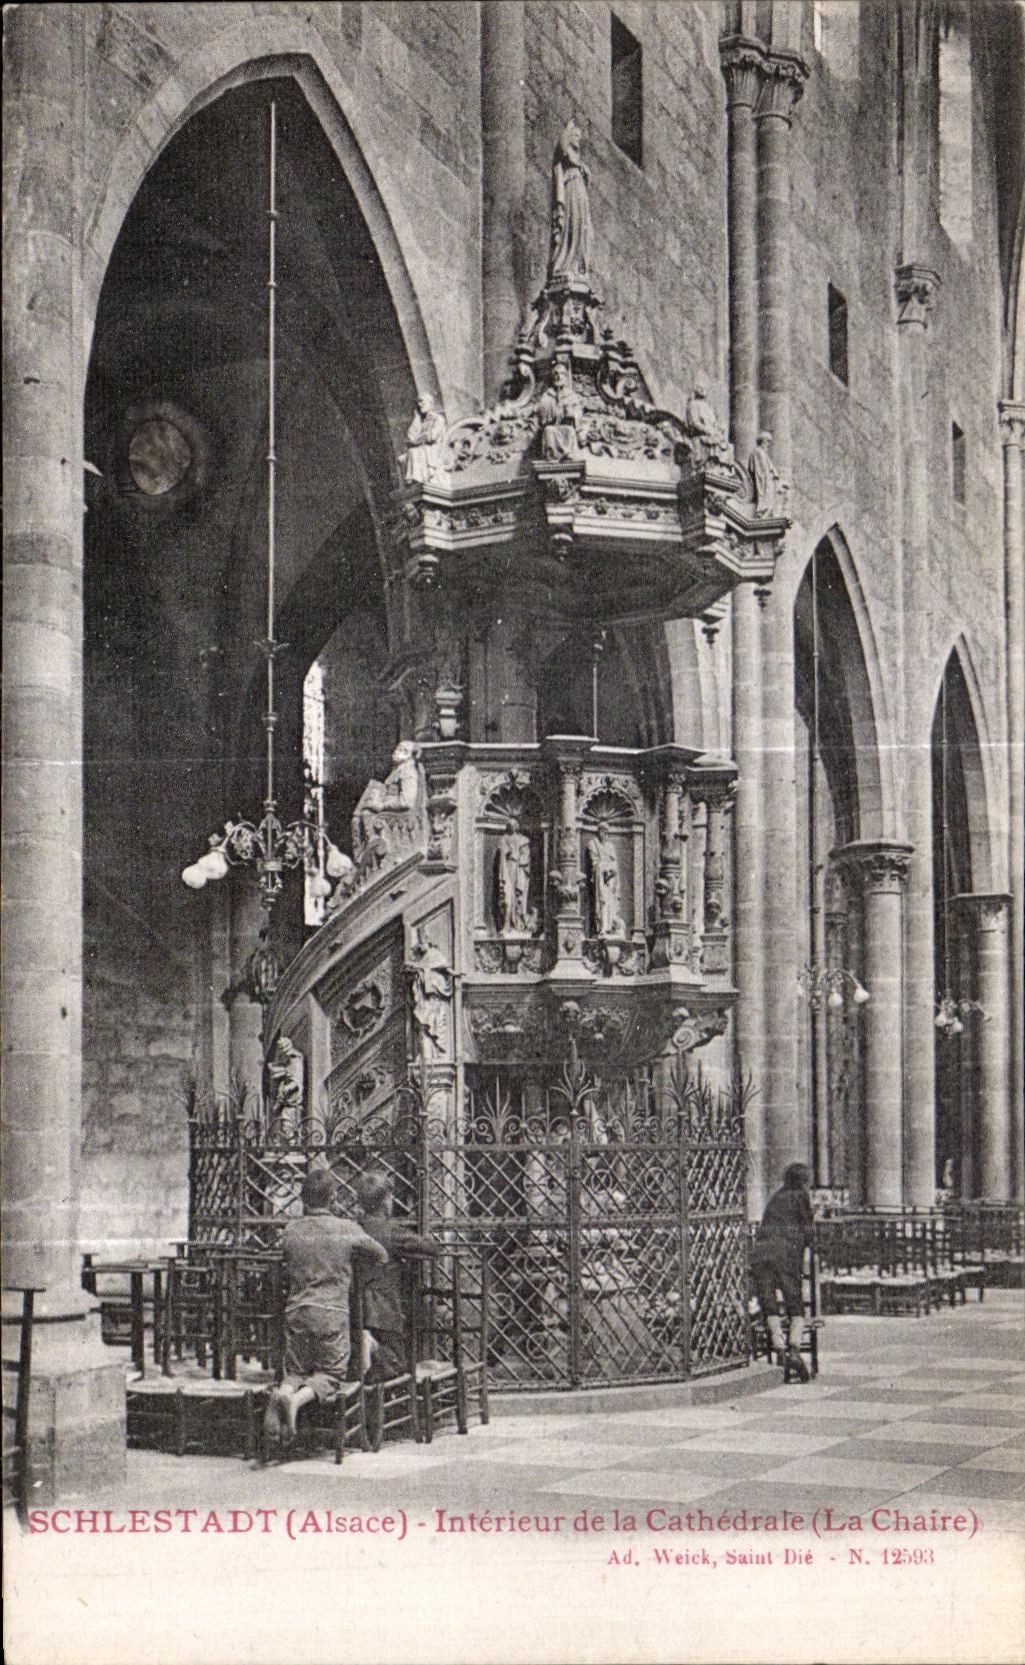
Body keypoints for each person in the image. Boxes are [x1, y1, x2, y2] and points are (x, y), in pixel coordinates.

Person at [265, 1168, 387, 1448]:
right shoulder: (345, 1229)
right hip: (331, 1315)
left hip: (297, 1312)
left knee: (295, 1371)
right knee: (331, 1375)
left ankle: (283, 1392)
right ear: (333, 1198)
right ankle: (295, 1402)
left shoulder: (292, 1230)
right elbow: (380, 1254)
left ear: (303, 1198)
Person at [352, 1168, 439, 1384]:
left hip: (354, 1310)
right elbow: (430, 1248)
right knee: (395, 1364)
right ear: (385, 1202)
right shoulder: (391, 1230)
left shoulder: (351, 1228)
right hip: (383, 1312)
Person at [750, 1162, 814, 1383]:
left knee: (769, 1305)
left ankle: (779, 1349)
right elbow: (808, 1229)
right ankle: (794, 1349)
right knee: (795, 1306)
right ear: (803, 1180)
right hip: (785, 1256)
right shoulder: (800, 1196)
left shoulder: (776, 1197)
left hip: (761, 1255)